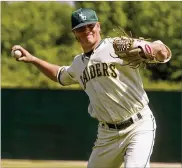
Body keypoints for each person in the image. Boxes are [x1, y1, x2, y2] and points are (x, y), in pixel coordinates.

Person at [12, 8, 171, 168]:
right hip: (107, 135)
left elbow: (159, 49)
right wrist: (33, 59)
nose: (87, 31)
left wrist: (153, 49)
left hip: (138, 125)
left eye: (91, 26)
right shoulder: (78, 64)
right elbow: (60, 75)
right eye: (81, 28)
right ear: (75, 33)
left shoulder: (116, 46)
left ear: (98, 26)